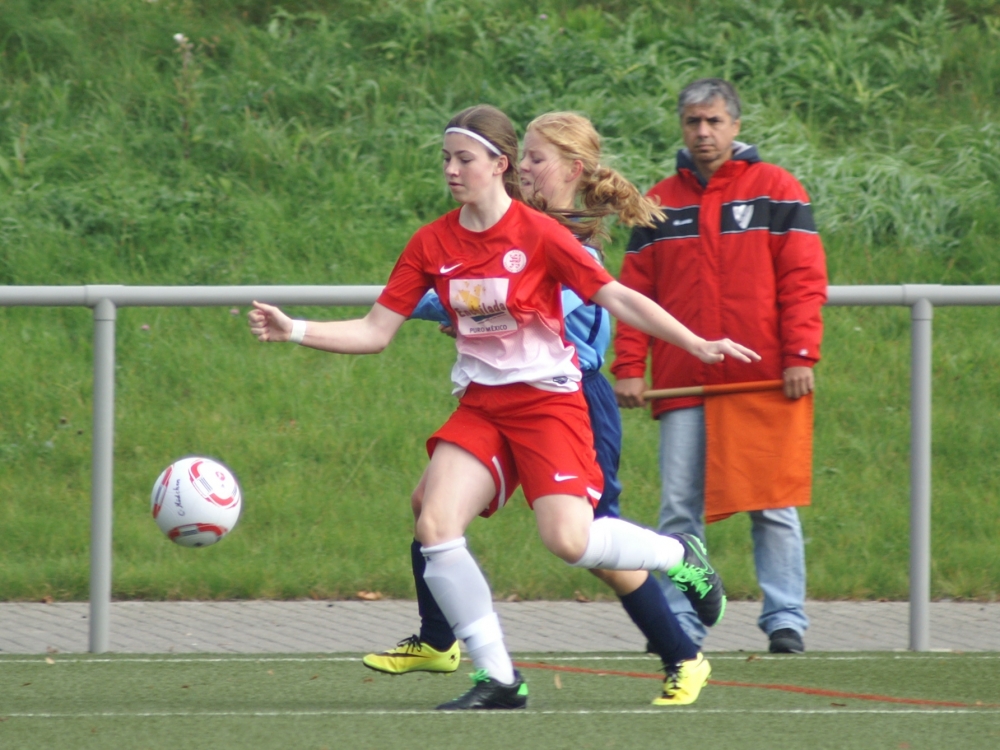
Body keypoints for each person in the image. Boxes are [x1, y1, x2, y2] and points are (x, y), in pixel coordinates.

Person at [249, 104, 759, 710]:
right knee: (434, 522)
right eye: (446, 159)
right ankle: (498, 678)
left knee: (570, 542)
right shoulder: (432, 242)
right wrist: (295, 329)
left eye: (464, 158)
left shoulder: (540, 234)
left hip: (548, 403)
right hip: (484, 406)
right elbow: (375, 331)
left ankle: (679, 555)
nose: (452, 170)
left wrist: (697, 342)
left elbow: (618, 298)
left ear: (500, 164)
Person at [362, 112, 711, 706]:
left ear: (573, 170)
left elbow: (570, 316)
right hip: (502, 396)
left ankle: (683, 648)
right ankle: (444, 640)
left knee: (587, 542)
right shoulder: (499, 223)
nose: (524, 167)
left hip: (570, 395)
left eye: (535, 159)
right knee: (431, 505)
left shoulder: (555, 237)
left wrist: (458, 311)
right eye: (520, 156)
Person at [613, 79, 828, 654]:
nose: (703, 132)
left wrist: (801, 354)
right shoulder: (656, 203)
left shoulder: (778, 190)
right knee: (679, 507)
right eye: (692, 122)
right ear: (681, 128)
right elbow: (634, 294)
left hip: (763, 378)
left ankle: (786, 620)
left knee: (772, 502)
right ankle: (682, 621)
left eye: (713, 122)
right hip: (685, 381)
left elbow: (804, 281)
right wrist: (628, 366)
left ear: (735, 126)